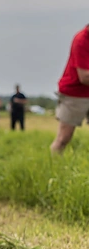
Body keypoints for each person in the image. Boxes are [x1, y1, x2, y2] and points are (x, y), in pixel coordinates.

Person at [50, 25, 89, 153]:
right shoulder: (81, 40)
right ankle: (54, 164)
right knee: (63, 138)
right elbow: (85, 77)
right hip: (75, 93)